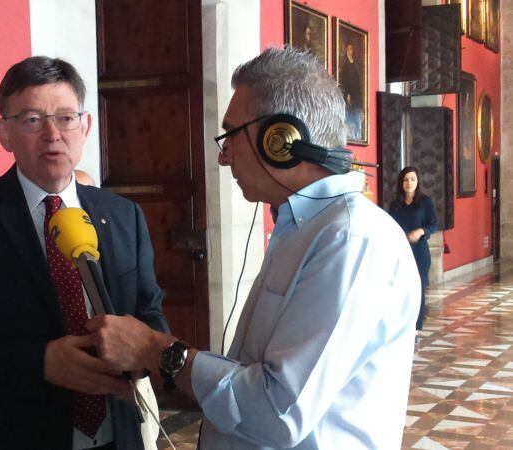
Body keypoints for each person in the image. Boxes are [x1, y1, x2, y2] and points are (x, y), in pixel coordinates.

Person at [86, 47, 421, 449]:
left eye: (231, 135)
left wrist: (155, 350)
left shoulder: (349, 241)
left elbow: (277, 414)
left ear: (280, 140)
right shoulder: (305, 228)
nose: (224, 157)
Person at [0, 56, 169, 450]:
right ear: (3, 133)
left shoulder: (123, 214)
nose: (52, 134)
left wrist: (144, 359)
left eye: (65, 118)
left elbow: (150, 314)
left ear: (86, 126)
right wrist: (40, 363)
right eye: (32, 119)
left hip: (118, 436)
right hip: (7, 436)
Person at [388, 166, 438, 331]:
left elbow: (433, 224)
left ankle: (416, 328)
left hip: (420, 252)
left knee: (418, 289)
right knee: (400, 288)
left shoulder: (425, 202)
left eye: (412, 179)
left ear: (418, 182)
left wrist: (421, 231)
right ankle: (402, 326)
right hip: (400, 252)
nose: (409, 183)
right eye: (406, 180)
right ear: (401, 183)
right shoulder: (395, 205)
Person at [339, 42, 363, 140]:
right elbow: (344, 82)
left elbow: (358, 85)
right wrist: (347, 94)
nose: (350, 51)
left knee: (357, 120)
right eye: (349, 49)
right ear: (346, 51)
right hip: (349, 96)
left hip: (356, 97)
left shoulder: (355, 65)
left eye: (351, 49)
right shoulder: (346, 66)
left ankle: (357, 136)